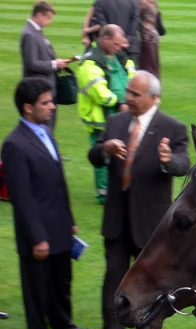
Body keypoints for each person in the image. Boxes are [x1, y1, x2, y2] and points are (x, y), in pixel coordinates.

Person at [88, 71, 190, 329]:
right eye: (128, 92)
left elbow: (184, 164)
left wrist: (169, 161)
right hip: (117, 220)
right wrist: (104, 149)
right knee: (114, 280)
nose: (127, 98)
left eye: (135, 94)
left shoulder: (172, 128)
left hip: (151, 224)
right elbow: (93, 155)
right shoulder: (116, 122)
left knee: (150, 283)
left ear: (154, 98)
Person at [2, 78, 100, 329]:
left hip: (58, 224)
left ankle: (64, 325)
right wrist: (37, 238)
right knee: (37, 285)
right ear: (27, 107)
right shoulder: (14, 144)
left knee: (61, 280)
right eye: (46, 103)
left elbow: (58, 182)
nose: (53, 107)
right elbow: (22, 198)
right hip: (37, 233)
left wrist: (68, 220)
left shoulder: (46, 134)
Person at [77, 24, 136, 204]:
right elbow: (99, 92)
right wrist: (120, 103)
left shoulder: (118, 56)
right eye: (116, 44)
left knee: (122, 152)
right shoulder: (90, 62)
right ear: (105, 39)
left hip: (118, 115)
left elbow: (132, 74)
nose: (120, 48)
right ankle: (104, 194)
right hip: (100, 119)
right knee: (102, 154)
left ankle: (120, 187)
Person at [21, 1, 70, 132]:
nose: (50, 22)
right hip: (39, 92)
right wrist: (54, 64)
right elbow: (31, 63)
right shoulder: (29, 34)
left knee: (49, 129)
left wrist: (57, 62)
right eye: (48, 18)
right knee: (43, 130)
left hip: (47, 88)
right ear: (38, 15)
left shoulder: (37, 32)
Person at [93, 0, 141, 65]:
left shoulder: (99, 2)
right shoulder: (133, 1)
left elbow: (104, 25)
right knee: (132, 72)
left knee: (112, 73)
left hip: (110, 46)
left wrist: (115, 40)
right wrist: (126, 39)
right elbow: (136, 20)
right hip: (130, 45)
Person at [138, 0, 161, 78]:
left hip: (146, 37)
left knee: (147, 66)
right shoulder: (153, 3)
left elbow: (135, 16)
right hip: (154, 36)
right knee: (154, 65)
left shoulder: (142, 3)